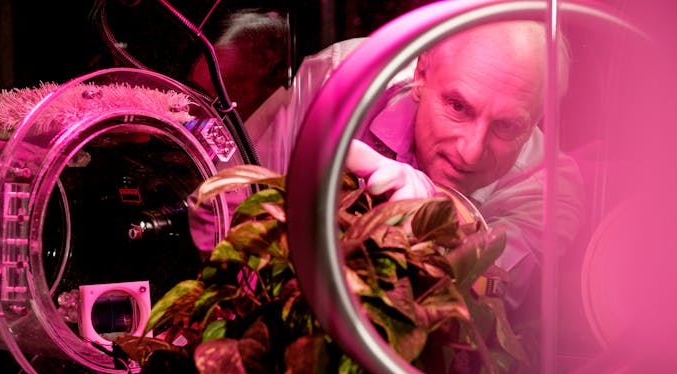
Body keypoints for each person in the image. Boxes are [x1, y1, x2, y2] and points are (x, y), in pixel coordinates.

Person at [246, 20, 585, 311]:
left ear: (536, 121)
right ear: (422, 74)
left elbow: (484, 309)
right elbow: (228, 203)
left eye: (507, 126)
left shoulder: (552, 189)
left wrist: (434, 213)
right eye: (457, 106)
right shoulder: (342, 79)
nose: (470, 152)